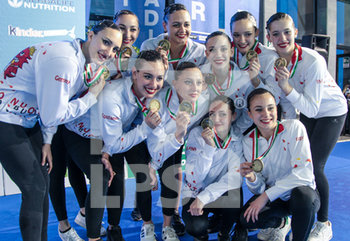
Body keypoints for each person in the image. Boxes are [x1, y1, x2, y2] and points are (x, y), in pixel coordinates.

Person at [0, 19, 121, 241]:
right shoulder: (66, 61)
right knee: (35, 188)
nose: (109, 52)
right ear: (90, 35)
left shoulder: (81, 59)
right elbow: (53, 114)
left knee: (41, 185)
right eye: (106, 42)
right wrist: (91, 97)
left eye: (115, 49)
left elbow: (51, 107)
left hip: (27, 118)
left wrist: (47, 141)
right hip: (6, 118)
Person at [266, 12, 348, 240]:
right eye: (275, 33)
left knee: (314, 166)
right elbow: (287, 105)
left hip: (331, 112)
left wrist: (285, 86)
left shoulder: (313, 61)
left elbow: (311, 109)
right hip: (307, 111)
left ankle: (323, 223)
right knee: (293, 163)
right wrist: (287, 133)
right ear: (269, 37)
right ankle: (289, 218)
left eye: (286, 32)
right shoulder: (275, 63)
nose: (282, 38)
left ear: (296, 33)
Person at [96, 50, 164, 241]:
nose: (154, 84)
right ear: (134, 73)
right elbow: (114, 143)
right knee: (115, 180)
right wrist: (145, 128)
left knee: (144, 175)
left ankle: (148, 224)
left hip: (130, 131)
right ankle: (113, 226)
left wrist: (154, 164)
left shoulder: (155, 93)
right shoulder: (112, 96)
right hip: (106, 137)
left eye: (159, 78)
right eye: (148, 76)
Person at [240, 88, 320, 241]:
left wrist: (265, 196)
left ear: (276, 109)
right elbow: (260, 188)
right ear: (250, 114)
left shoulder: (294, 128)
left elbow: (304, 174)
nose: (266, 114)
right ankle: (282, 223)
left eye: (271, 108)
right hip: (276, 197)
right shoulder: (248, 141)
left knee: (302, 197)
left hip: (301, 195)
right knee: (247, 219)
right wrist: (252, 178)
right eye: (258, 109)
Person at [145, 62, 209, 241]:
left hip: (176, 138)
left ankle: (167, 225)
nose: (195, 88)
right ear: (174, 83)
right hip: (150, 139)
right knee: (149, 177)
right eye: (188, 82)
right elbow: (156, 144)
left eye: (198, 82)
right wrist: (153, 165)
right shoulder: (157, 103)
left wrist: (180, 134)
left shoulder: (204, 101)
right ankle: (146, 224)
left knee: (172, 175)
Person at [182, 95, 248, 241]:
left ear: (233, 116)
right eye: (212, 113)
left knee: (235, 194)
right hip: (195, 192)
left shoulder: (237, 139)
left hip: (217, 194)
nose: (216, 119)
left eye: (223, 114)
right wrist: (209, 147)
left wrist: (205, 197)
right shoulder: (197, 134)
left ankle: (224, 233)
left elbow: (234, 178)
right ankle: (202, 235)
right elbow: (194, 178)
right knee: (196, 227)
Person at [229, 10, 295, 119]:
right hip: (235, 114)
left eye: (248, 34)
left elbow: (275, 98)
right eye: (236, 35)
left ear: (256, 32)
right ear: (231, 34)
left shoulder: (269, 57)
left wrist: (255, 81)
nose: (242, 40)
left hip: (261, 117)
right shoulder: (227, 53)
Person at [201, 30, 256, 134]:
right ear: (206, 54)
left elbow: (248, 113)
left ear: (231, 51)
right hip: (205, 133)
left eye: (223, 49)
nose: (218, 54)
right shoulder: (198, 76)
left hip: (237, 134)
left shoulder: (245, 80)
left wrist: (234, 133)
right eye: (212, 50)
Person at [140, 3, 206, 86]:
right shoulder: (149, 46)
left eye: (186, 25)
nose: (182, 30)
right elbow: (142, 81)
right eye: (176, 25)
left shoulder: (200, 51)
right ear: (165, 26)